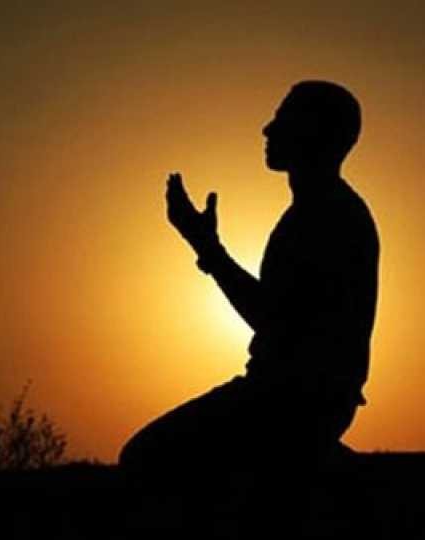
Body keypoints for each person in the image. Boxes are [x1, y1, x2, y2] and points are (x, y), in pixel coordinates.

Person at [119, 80, 380, 481]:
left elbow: (275, 320)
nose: (268, 130)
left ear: (316, 133)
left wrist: (208, 250)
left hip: (292, 402)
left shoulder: (329, 218)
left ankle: (317, 462)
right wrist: (207, 248)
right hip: (292, 397)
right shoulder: (317, 212)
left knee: (145, 458)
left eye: (284, 120)